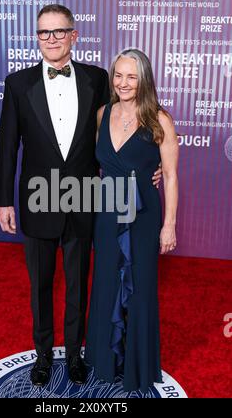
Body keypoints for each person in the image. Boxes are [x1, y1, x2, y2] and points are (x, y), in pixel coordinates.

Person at [0, 5, 162, 388]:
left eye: (59, 31)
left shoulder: (96, 78)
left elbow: (120, 127)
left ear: (74, 35)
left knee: (78, 281)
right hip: (38, 196)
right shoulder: (17, 83)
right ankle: (41, 355)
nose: (51, 39)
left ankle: (74, 354)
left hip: (84, 196)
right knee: (40, 283)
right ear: (36, 37)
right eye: (44, 33)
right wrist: (3, 199)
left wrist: (148, 165)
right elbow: (7, 146)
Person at [85, 49, 179, 394]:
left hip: (143, 217)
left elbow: (169, 176)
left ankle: (136, 365)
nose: (123, 83)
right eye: (118, 75)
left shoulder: (160, 120)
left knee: (139, 288)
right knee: (107, 282)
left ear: (144, 80)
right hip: (108, 213)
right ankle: (106, 360)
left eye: (131, 77)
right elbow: (100, 166)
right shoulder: (101, 114)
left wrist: (168, 225)